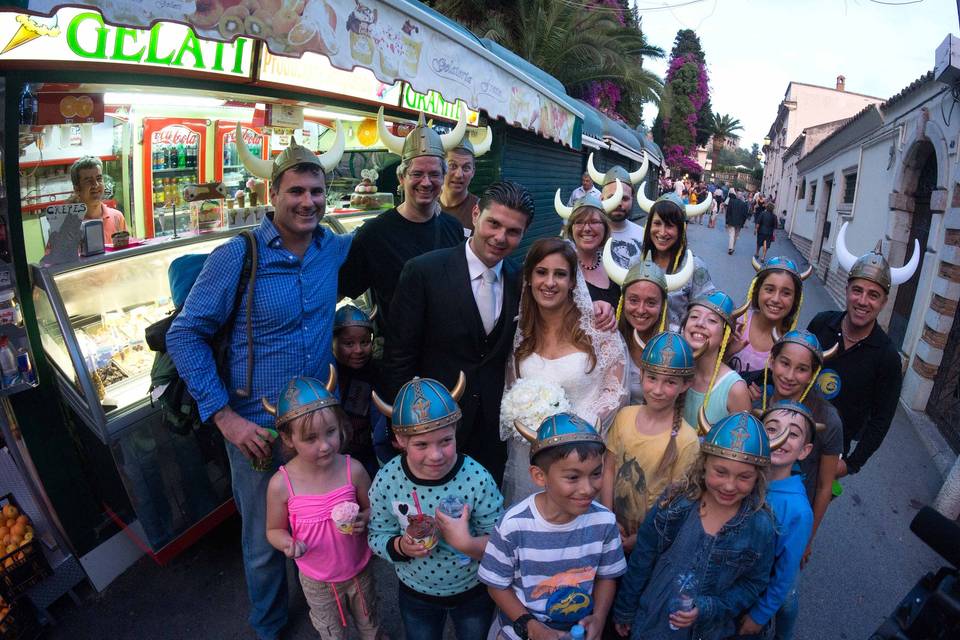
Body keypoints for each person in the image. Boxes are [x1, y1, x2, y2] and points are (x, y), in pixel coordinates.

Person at [166, 128, 347, 640]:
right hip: (257, 429)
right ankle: (268, 627)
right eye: (296, 191)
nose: (307, 201)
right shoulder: (237, 255)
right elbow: (185, 334)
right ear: (273, 195)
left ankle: (325, 612)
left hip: (314, 424)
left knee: (320, 524)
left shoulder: (330, 249)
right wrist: (225, 417)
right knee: (264, 542)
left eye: (316, 191)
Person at [382, 181, 535, 484]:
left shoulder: (521, 280)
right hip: (432, 433)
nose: (500, 237)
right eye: (494, 223)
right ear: (476, 214)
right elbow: (399, 355)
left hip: (494, 435)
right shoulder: (423, 271)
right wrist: (402, 425)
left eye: (513, 231)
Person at [611, 412, 777, 640]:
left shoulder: (761, 528)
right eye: (721, 472)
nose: (729, 485)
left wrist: (709, 608)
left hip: (709, 631)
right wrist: (625, 609)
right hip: (652, 623)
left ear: (758, 478)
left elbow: (753, 583)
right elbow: (643, 557)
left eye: (744, 477)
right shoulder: (674, 504)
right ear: (704, 464)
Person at [368, 376, 504, 640]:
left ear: (456, 430)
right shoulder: (388, 480)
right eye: (421, 444)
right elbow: (376, 534)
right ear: (400, 439)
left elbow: (501, 540)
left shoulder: (476, 477)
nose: (436, 455)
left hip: (473, 590)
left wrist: (465, 543)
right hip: (416, 593)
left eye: (445, 441)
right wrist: (401, 547)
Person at [500, 238, 627, 506]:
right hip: (532, 457)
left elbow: (616, 391)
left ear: (573, 281)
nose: (549, 282)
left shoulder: (597, 327)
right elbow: (512, 390)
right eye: (541, 272)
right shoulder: (521, 333)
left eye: (560, 274)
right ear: (529, 278)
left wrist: (579, 429)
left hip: (584, 457)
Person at [480, 413, 627, 640]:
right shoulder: (514, 525)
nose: (588, 489)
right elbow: (497, 585)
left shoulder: (605, 522)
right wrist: (530, 625)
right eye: (572, 477)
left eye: (596, 474)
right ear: (540, 476)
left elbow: (607, 576)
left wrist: (598, 617)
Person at [263, 375, 385, 640]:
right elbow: (273, 529)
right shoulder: (281, 485)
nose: (325, 445)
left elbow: (374, 508)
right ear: (287, 439)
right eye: (310, 438)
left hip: (359, 571)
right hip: (317, 581)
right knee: (331, 633)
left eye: (331, 432)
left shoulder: (354, 469)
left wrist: (365, 517)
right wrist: (287, 543)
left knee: (370, 623)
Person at [808, 222, 920, 475]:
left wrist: (851, 464)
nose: (862, 301)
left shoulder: (887, 357)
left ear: (883, 302)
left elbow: (881, 420)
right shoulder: (821, 323)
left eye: (873, 295)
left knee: (810, 513)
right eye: (857, 290)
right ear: (847, 290)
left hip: (833, 450)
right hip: (795, 428)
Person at [338, 108, 468, 324]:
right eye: (417, 174)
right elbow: (341, 291)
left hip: (446, 351)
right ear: (402, 178)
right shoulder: (374, 234)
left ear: (443, 177)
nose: (426, 182)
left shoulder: (452, 228)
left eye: (434, 174)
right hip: (398, 353)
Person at [601, 332, 700, 554]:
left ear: (685, 385)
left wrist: (641, 538)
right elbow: (609, 469)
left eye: (670, 382)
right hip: (611, 529)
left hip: (651, 543)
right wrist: (607, 518)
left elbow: (675, 504)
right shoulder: (624, 416)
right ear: (641, 374)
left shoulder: (687, 440)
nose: (657, 390)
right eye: (652, 378)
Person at [753, 330, 842, 570]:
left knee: (780, 592)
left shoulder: (828, 419)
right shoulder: (755, 401)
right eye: (784, 363)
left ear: (813, 374)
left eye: (802, 369)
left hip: (787, 523)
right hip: (747, 511)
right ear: (772, 361)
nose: (790, 376)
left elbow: (824, 487)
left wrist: (807, 539)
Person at [737, 401, 815, 640]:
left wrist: (760, 615)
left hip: (752, 601)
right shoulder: (741, 477)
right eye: (772, 429)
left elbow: (785, 574)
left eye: (793, 434)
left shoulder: (798, 511)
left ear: (804, 450)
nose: (781, 437)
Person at [602, 251, 694, 405]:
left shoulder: (678, 342)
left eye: (651, 302)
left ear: (662, 306)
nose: (641, 310)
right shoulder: (609, 336)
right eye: (633, 300)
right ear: (623, 301)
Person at [634, 191, 714, 330]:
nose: (662, 232)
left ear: (681, 229)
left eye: (670, 225)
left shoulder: (694, 266)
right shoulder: (635, 263)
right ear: (649, 226)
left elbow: (707, 311)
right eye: (657, 223)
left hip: (676, 348)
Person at [728, 257, 812, 387]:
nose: (776, 299)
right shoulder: (736, 323)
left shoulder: (793, 345)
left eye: (786, 293)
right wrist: (727, 352)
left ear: (795, 300)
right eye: (769, 289)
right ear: (757, 290)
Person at [681, 292, 752, 427]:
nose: (700, 323)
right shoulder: (672, 369)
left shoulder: (735, 389)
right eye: (694, 316)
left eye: (712, 320)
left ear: (726, 337)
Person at [332, 304, 388, 475]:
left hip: (372, 458)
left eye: (364, 342)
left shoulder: (379, 373)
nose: (358, 350)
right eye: (349, 343)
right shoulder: (328, 375)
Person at [556, 184, 624, 308]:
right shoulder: (560, 265)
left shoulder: (613, 266)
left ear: (605, 227)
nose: (587, 228)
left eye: (594, 222)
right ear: (571, 229)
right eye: (580, 222)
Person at [586, 153, 649, 269]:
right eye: (612, 197)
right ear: (601, 199)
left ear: (632, 200)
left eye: (624, 198)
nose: (618, 203)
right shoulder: (586, 233)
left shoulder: (645, 235)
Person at [440, 126, 492, 232]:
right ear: (441, 168)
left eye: (466, 167)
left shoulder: (481, 211)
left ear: (473, 172)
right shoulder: (428, 204)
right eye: (452, 166)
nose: (459, 174)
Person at [69, 155, 127, 244]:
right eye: (88, 180)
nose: (95, 184)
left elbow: (125, 254)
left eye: (99, 178)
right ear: (77, 189)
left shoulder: (117, 217)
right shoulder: (67, 225)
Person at [725, 188, 749, 256]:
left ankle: (730, 248)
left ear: (736, 195)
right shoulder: (744, 204)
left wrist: (726, 222)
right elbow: (745, 215)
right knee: (735, 235)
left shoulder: (731, 201)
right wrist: (743, 223)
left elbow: (728, 212)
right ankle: (732, 247)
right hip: (739, 223)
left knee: (731, 235)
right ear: (741, 196)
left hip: (731, 221)